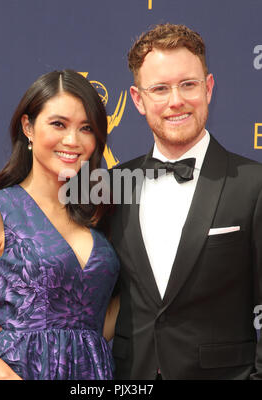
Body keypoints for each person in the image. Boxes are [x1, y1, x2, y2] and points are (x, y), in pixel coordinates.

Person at [109, 23, 262, 379]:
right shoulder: (113, 185)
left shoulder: (254, 185)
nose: (175, 100)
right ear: (137, 99)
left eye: (188, 84)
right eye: (159, 89)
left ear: (208, 88)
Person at [0, 69, 119, 380]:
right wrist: (7, 377)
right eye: (58, 124)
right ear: (28, 127)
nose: (72, 140)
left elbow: (100, 321)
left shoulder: (100, 214)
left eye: (86, 128)